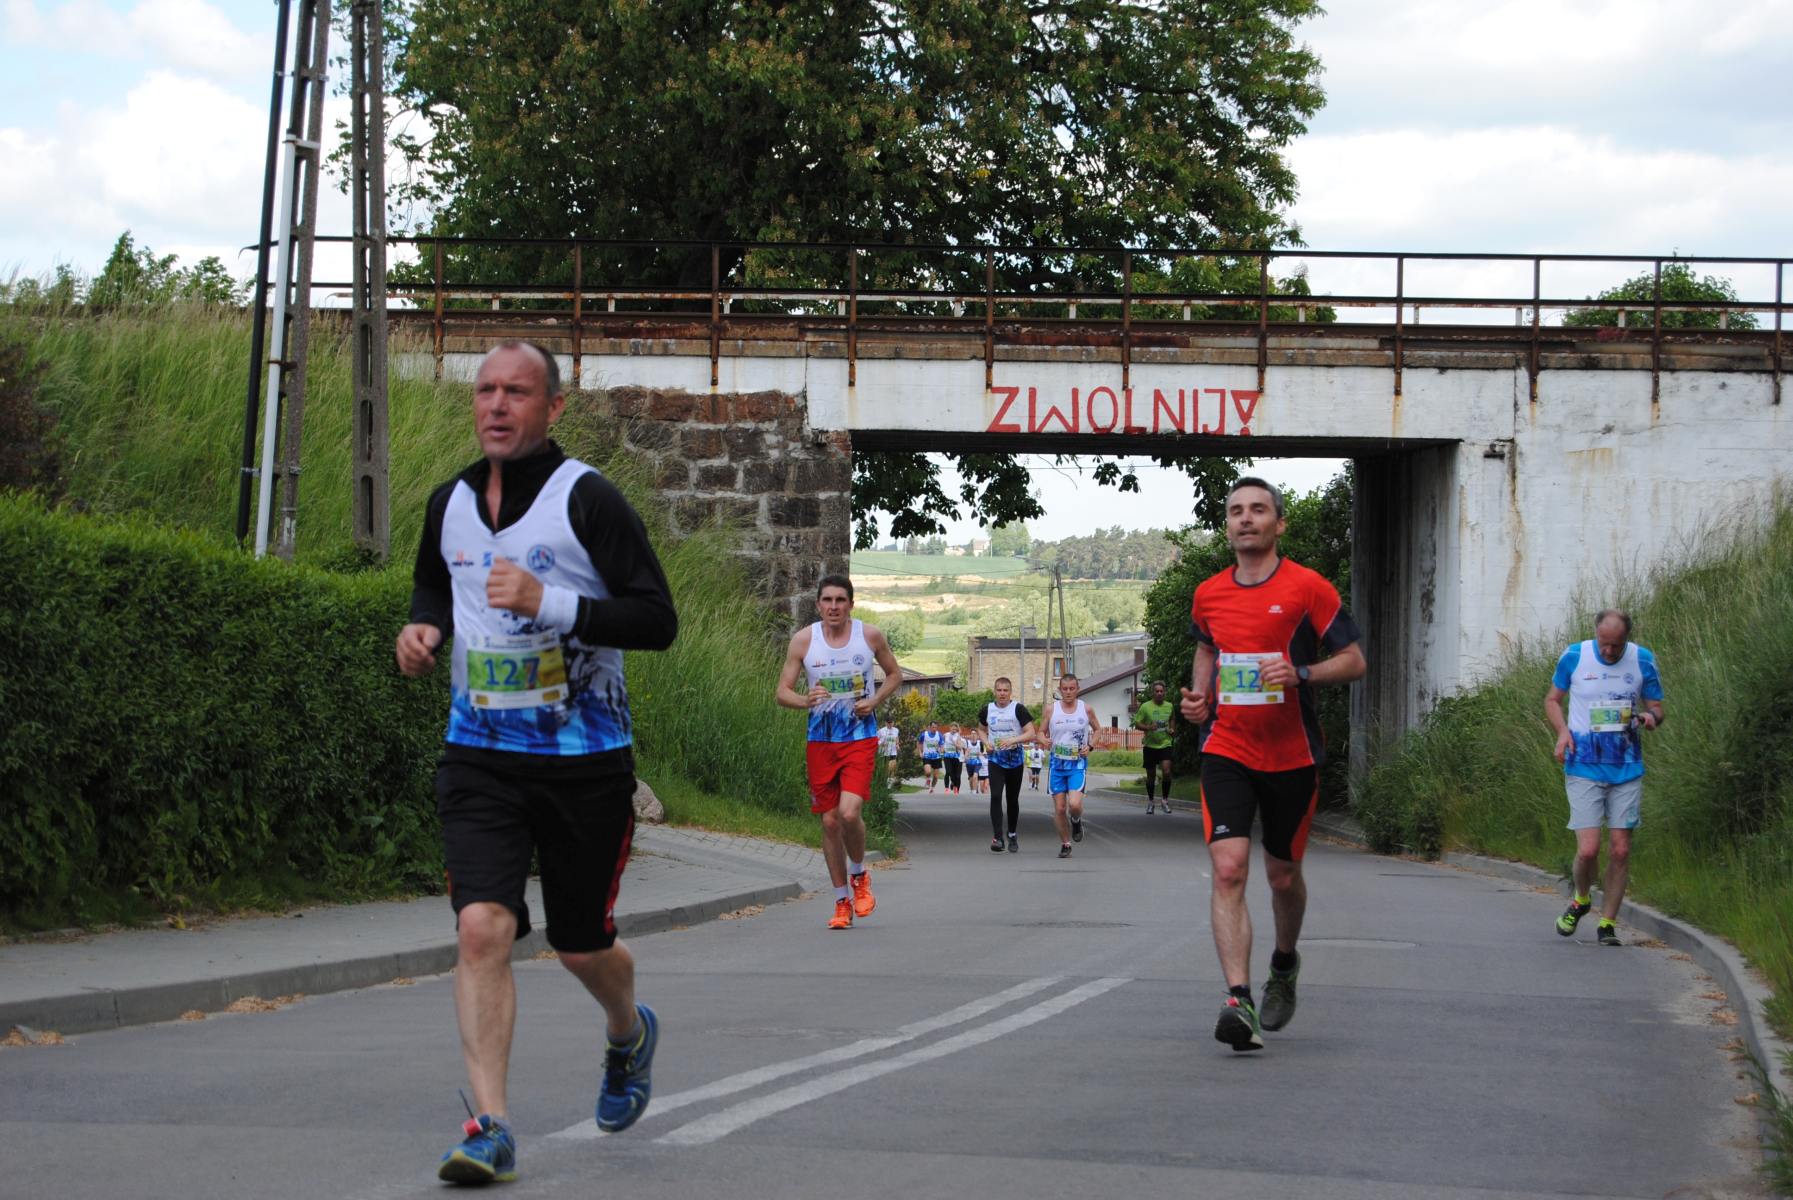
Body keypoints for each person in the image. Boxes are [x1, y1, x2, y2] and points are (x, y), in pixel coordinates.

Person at [395, 339, 679, 1183]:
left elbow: (656, 619)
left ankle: (627, 1031)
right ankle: (489, 1125)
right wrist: (423, 629)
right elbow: (433, 585)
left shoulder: (585, 498)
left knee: (580, 944)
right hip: (480, 756)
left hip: (585, 762)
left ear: (553, 408)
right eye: (485, 390)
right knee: (481, 927)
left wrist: (548, 601)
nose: (496, 404)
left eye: (516, 392)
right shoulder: (448, 501)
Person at [1179, 477, 1365, 1053]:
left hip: (1292, 755)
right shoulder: (1209, 593)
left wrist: (1301, 672)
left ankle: (1283, 964)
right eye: (1236, 511)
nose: (1246, 518)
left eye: (1258, 509)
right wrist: (1199, 697)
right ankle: (1239, 1000)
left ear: (1278, 524)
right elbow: (1206, 646)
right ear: (1227, 527)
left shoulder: (1308, 588)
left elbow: (1354, 659)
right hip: (1226, 748)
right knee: (1229, 867)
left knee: (1282, 875)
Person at [776, 574, 903, 930]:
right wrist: (804, 700)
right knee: (829, 820)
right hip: (821, 741)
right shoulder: (804, 641)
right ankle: (840, 901)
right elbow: (782, 692)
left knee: (848, 813)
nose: (834, 606)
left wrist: (874, 701)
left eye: (840, 600)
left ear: (851, 604)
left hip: (859, 737)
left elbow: (894, 675)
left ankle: (859, 875)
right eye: (827, 600)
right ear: (818, 605)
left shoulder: (869, 636)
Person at [1544, 608, 1665, 947]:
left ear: (1627, 639)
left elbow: (1658, 707)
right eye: (1604, 644)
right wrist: (1563, 732)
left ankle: (1608, 923)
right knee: (1588, 850)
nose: (1609, 651)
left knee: (1621, 850)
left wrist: (1650, 717)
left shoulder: (1642, 659)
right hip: (1583, 765)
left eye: (1617, 645)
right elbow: (1552, 700)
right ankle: (1581, 899)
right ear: (1596, 634)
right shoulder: (1575, 656)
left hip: (1626, 767)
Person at [1042, 674, 1098, 859]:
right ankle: (1066, 844)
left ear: (1077, 689)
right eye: (1064, 689)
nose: (1068, 692)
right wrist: (1044, 740)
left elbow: (1098, 730)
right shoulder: (1051, 710)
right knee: (1059, 809)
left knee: (1074, 804)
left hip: (1077, 764)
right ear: (1060, 689)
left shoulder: (1086, 709)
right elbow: (1040, 732)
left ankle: (1076, 819)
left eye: (1071, 688)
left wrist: (1090, 746)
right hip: (1057, 764)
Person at [980, 677, 1036, 853]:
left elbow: (1031, 733)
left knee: (1012, 799)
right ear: (994, 691)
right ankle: (997, 837)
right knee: (996, 796)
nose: (1002, 694)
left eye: (1005, 690)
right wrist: (986, 743)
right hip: (995, 759)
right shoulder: (987, 709)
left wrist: (1013, 740)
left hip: (1014, 760)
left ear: (1010, 692)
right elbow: (981, 729)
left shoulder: (1018, 709)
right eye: (999, 690)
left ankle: (1012, 834)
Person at [1133, 680, 1177, 815]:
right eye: (1157, 691)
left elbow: (1172, 718)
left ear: (1164, 693)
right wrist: (1148, 727)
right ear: (1153, 693)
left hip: (1165, 743)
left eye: (1161, 691)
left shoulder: (1169, 706)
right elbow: (1137, 724)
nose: (1159, 693)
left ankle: (1164, 800)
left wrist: (1172, 729)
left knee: (1166, 771)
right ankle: (1151, 801)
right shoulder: (1145, 707)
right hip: (1150, 745)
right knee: (1151, 776)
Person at [919, 720, 943, 792]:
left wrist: (941, 750)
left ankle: (932, 788)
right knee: (928, 772)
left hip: (936, 757)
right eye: (933, 727)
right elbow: (919, 743)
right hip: (927, 756)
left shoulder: (939, 735)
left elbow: (941, 745)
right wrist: (920, 752)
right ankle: (928, 780)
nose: (934, 729)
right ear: (929, 727)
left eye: (935, 727)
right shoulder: (924, 734)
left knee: (936, 776)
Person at [877, 716, 901, 784]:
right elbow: (876, 740)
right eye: (888, 722)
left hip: (893, 752)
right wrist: (881, 744)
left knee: (892, 767)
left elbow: (896, 738)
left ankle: (889, 784)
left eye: (891, 722)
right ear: (885, 723)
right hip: (883, 752)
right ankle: (884, 782)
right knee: (886, 769)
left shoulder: (896, 730)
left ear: (893, 722)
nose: (890, 724)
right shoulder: (881, 731)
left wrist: (897, 744)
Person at [941, 723, 963, 794]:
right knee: (948, 772)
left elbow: (960, 747)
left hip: (955, 757)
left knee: (956, 774)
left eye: (955, 729)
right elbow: (941, 743)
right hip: (947, 756)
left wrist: (954, 743)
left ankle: (954, 785)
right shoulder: (945, 735)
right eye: (952, 729)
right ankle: (946, 788)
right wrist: (942, 749)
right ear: (950, 728)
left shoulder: (958, 736)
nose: (954, 730)